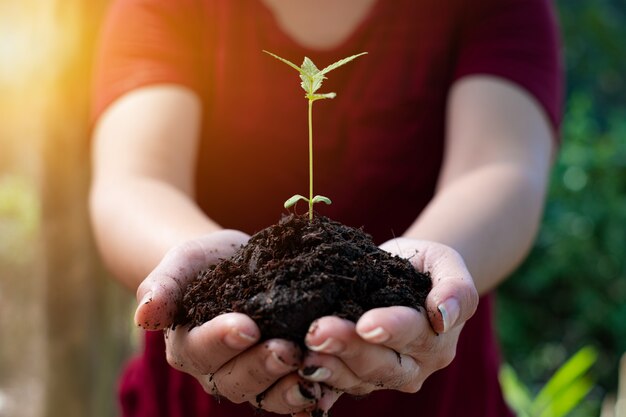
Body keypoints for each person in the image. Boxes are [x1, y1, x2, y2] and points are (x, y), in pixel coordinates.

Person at [89, 0, 562, 416]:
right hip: (200, 394)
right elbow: (134, 182)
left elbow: (500, 169)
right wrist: (194, 269)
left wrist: (420, 275)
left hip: (433, 400)